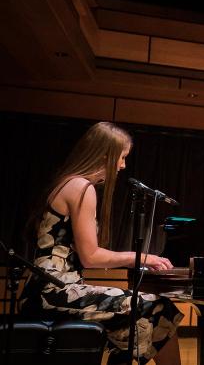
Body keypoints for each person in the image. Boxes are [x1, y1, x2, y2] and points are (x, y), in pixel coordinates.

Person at [20, 122, 183, 364]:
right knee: (159, 308)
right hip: (51, 293)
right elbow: (91, 257)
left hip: (48, 290)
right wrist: (142, 258)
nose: (123, 165)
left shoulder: (70, 183)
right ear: (105, 154)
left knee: (154, 313)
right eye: (122, 157)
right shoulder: (81, 187)